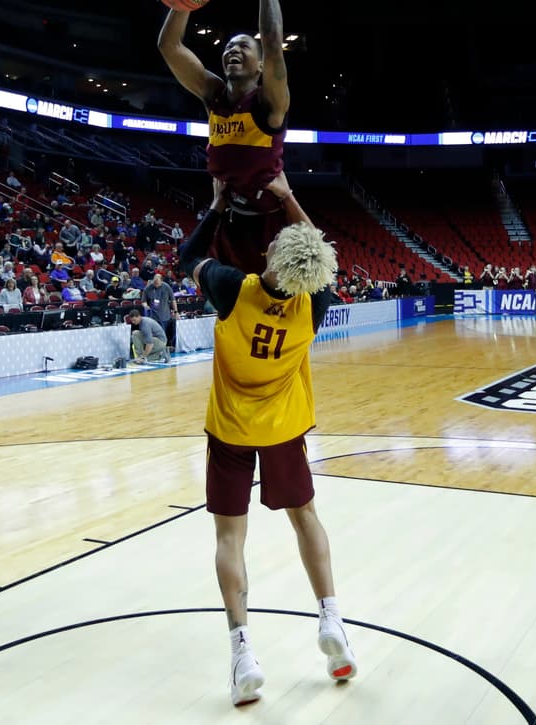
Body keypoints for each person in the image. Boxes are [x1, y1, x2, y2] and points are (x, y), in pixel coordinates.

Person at [176, 173, 354, 706]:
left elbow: (188, 256)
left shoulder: (235, 289)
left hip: (231, 428)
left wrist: (213, 207)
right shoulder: (313, 305)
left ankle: (243, 652)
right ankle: (332, 622)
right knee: (307, 519)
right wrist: (287, 196)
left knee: (230, 540)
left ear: (273, 260)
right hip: (283, 429)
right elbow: (325, 259)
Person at [157, 0, 289, 274]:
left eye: (243, 47)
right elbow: (169, 46)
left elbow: (272, 44)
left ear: (259, 67)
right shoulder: (212, 93)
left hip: (270, 222)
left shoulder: (268, 102)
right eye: (229, 46)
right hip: (227, 217)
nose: (233, 50)